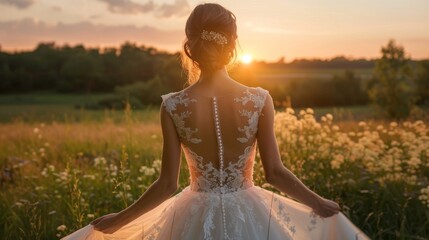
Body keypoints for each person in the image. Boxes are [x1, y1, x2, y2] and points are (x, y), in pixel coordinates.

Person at [62, 3, 369, 240]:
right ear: (231, 45)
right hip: (251, 213)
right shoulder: (259, 99)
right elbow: (275, 173)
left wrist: (118, 220)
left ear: (190, 45)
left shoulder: (173, 105)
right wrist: (318, 202)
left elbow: (167, 184)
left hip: (193, 216)